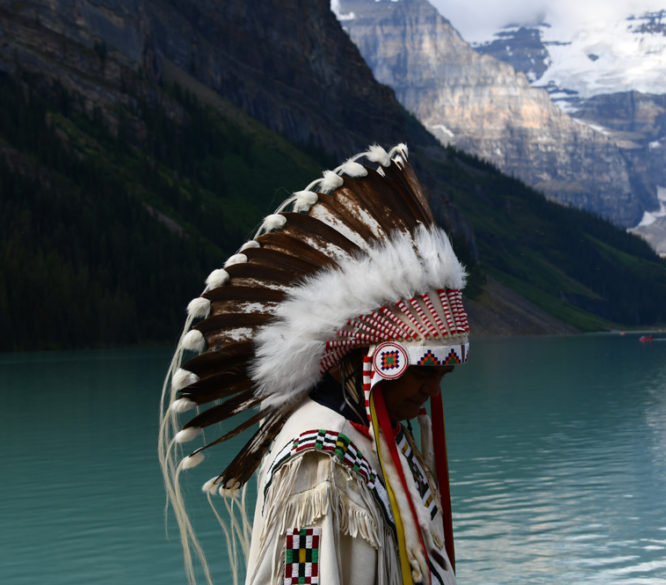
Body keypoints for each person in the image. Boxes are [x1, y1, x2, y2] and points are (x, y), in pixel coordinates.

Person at [158, 144, 469, 585]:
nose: (430, 391)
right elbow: (300, 577)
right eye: (422, 372)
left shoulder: (383, 432)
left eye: (442, 375)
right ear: (370, 361)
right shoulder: (317, 458)